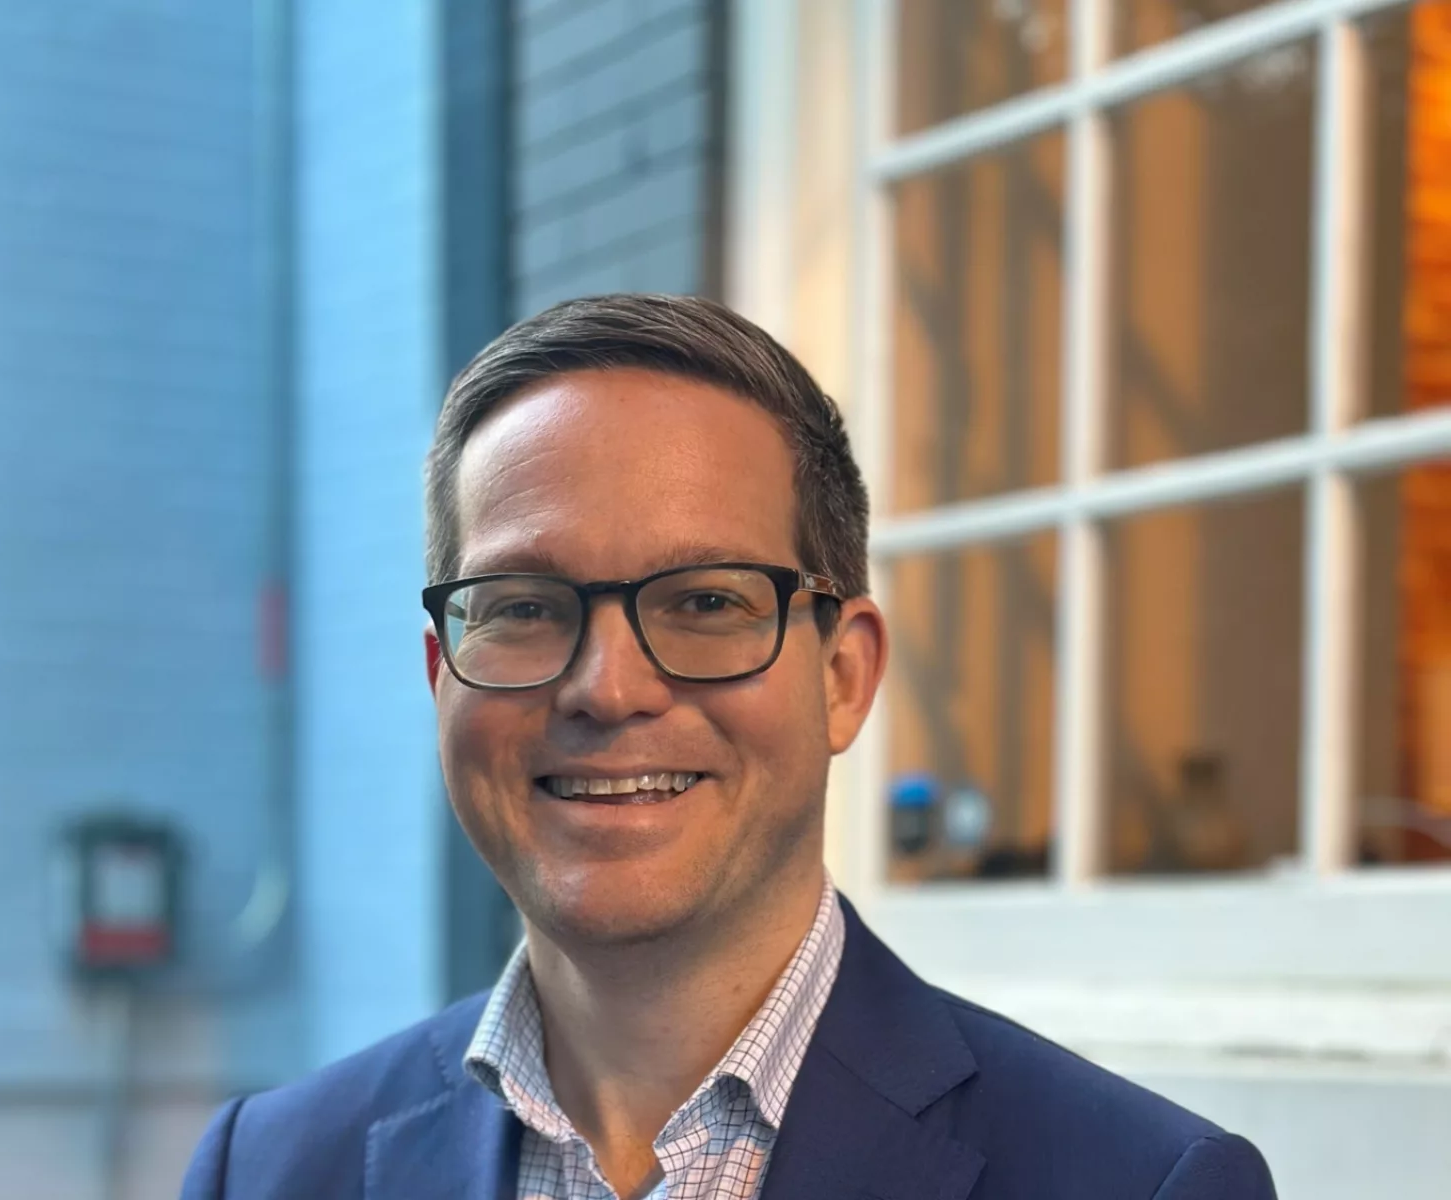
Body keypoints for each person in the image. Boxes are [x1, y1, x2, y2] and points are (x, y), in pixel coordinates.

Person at [181, 294, 1277, 1199]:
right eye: (522, 606)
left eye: (706, 600)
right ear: (441, 678)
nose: (606, 687)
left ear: (842, 677)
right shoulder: (273, 1170)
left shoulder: (1137, 1184)